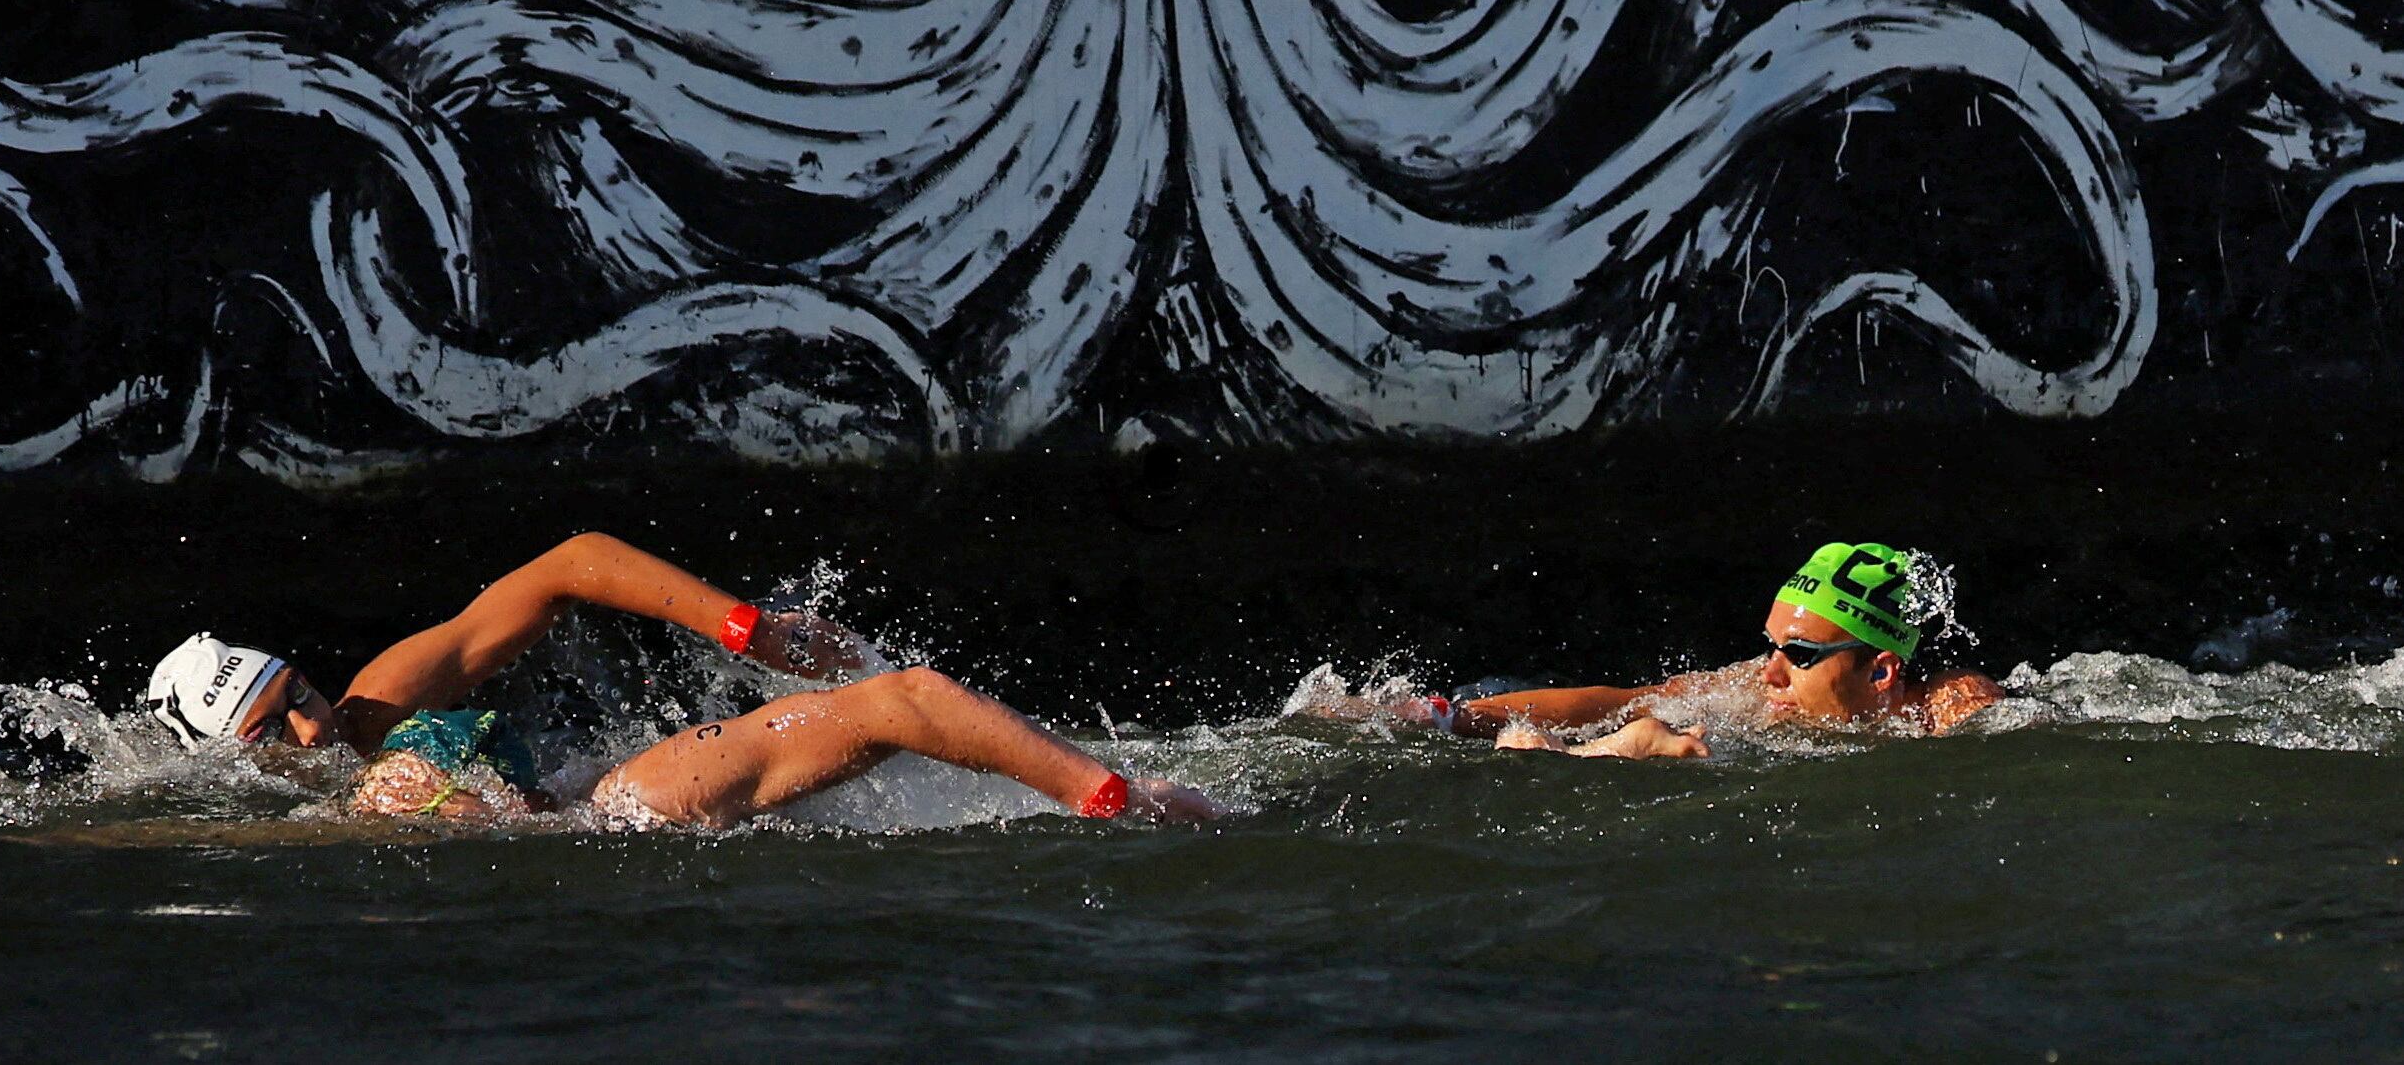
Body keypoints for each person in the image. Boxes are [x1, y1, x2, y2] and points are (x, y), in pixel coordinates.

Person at [144, 530, 1223, 828]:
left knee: (905, 695)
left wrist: (742, 627)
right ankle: (1124, 800)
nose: (309, 733)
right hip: (594, 828)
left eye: (298, 697)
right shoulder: (284, 828)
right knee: (904, 700)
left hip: (608, 802)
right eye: (269, 734)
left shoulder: (383, 698)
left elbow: (567, 563)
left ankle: (1126, 796)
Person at [1309, 540, 2006, 756]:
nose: (1769, 671)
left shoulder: (1951, 711)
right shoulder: (1765, 683)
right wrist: (1447, 714)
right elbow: (1626, 698)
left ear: (1883, 669)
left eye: (1797, 653)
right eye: (1771, 646)